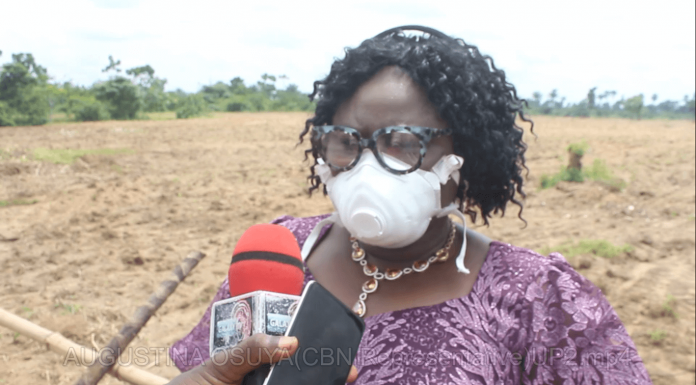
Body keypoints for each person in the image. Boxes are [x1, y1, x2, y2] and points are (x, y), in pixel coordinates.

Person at [167, 26, 652, 384]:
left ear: (464, 157)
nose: (366, 166)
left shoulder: (538, 301)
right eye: (346, 142)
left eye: (402, 142)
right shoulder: (275, 255)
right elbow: (213, 371)